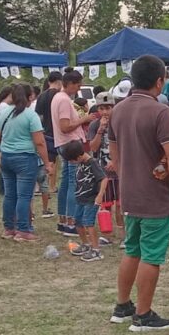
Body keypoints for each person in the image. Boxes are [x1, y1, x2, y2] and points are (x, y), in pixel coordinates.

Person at [107, 55, 169, 331]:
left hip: (129, 192)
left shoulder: (118, 110)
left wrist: (127, 175)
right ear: (159, 81)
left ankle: (122, 305)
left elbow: (114, 155)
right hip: (155, 195)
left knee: (132, 248)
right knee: (151, 255)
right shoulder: (161, 112)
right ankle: (143, 315)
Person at [0, 83, 52, 242]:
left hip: (6, 157)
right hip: (25, 158)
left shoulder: (2, 112)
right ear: (30, 97)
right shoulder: (30, 115)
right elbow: (40, 142)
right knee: (24, 196)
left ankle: (8, 228)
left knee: (9, 195)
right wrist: (47, 163)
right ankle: (23, 230)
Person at [52, 70, 94, 237]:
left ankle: (63, 219)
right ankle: (71, 222)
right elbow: (65, 126)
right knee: (73, 182)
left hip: (63, 142)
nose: (79, 88)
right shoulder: (63, 100)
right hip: (70, 142)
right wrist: (84, 119)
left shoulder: (58, 98)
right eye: (77, 85)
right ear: (69, 84)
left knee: (65, 183)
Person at [59, 140, 105, 262]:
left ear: (79, 156)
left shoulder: (92, 163)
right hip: (80, 198)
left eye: (72, 160)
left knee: (89, 223)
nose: (71, 163)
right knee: (77, 221)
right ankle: (85, 244)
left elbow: (104, 179)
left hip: (91, 199)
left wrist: (100, 195)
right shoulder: (81, 163)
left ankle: (96, 250)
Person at [88, 91, 120, 243]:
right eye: (102, 108)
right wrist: (100, 130)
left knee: (121, 204)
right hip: (102, 170)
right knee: (105, 203)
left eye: (108, 108)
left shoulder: (120, 123)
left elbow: (126, 144)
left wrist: (115, 160)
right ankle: (106, 235)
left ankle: (123, 236)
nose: (105, 112)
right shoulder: (94, 125)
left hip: (119, 169)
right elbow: (93, 148)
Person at [34, 71, 63, 192]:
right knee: (53, 160)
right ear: (59, 81)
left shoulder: (41, 96)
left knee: (43, 159)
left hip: (43, 130)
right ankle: (51, 186)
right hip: (56, 130)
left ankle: (38, 186)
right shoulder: (59, 95)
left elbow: (38, 115)